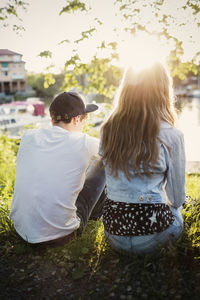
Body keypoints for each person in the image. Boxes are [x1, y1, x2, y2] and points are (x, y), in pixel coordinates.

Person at [99, 62, 186, 254]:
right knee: (178, 207)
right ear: (163, 91)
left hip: (114, 235)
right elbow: (177, 198)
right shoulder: (172, 136)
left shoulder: (107, 130)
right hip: (154, 237)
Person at [10, 91, 106, 247]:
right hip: (62, 235)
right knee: (102, 164)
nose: (84, 125)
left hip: (22, 231)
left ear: (51, 118)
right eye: (84, 120)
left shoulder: (28, 136)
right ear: (76, 120)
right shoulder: (84, 142)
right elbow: (116, 152)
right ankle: (96, 215)